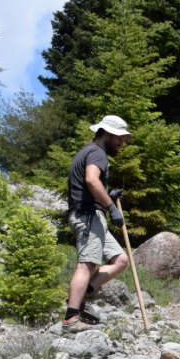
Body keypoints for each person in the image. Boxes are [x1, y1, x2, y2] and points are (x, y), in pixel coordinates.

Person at [63, 115, 132, 330]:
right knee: (87, 264)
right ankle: (71, 318)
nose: (122, 143)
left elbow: (89, 186)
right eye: (120, 138)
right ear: (108, 134)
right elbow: (91, 180)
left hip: (91, 214)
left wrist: (108, 195)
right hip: (88, 215)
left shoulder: (88, 151)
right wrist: (111, 208)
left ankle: (83, 295)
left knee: (121, 260)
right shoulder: (97, 153)